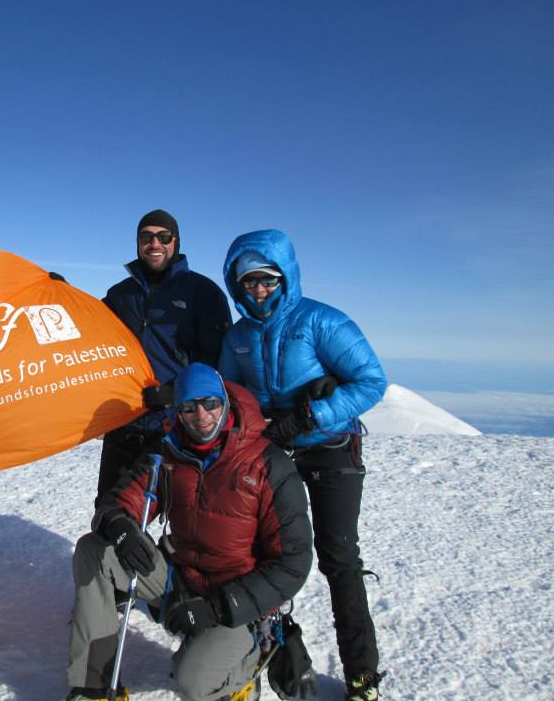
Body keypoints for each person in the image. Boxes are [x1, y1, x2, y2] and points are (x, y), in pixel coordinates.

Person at [65, 362, 313, 701]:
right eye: (189, 407)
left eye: (210, 403)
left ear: (225, 402)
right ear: (178, 412)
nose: (202, 416)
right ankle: (94, 686)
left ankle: (247, 662)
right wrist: (119, 525)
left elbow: (293, 563)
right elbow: (120, 501)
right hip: (180, 581)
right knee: (95, 551)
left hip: (237, 601)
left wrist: (217, 609)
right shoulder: (167, 453)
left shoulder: (268, 464)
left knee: (193, 682)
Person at [217, 229, 388, 701]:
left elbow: (372, 381)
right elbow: (231, 396)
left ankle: (362, 675)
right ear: (236, 284)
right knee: (258, 552)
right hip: (275, 449)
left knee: (339, 557)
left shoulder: (321, 321)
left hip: (332, 447)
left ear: (285, 277)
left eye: (267, 279)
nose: (259, 290)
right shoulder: (238, 336)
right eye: (248, 281)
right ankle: (262, 650)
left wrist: (314, 415)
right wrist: (256, 424)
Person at [98, 209, 231, 502]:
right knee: (111, 507)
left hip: (178, 426)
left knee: (180, 511)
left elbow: (217, 359)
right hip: (125, 423)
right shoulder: (120, 295)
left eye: (163, 237)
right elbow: (88, 324)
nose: (154, 244)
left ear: (176, 242)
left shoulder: (203, 293)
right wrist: (60, 293)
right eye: (146, 237)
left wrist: (177, 393)